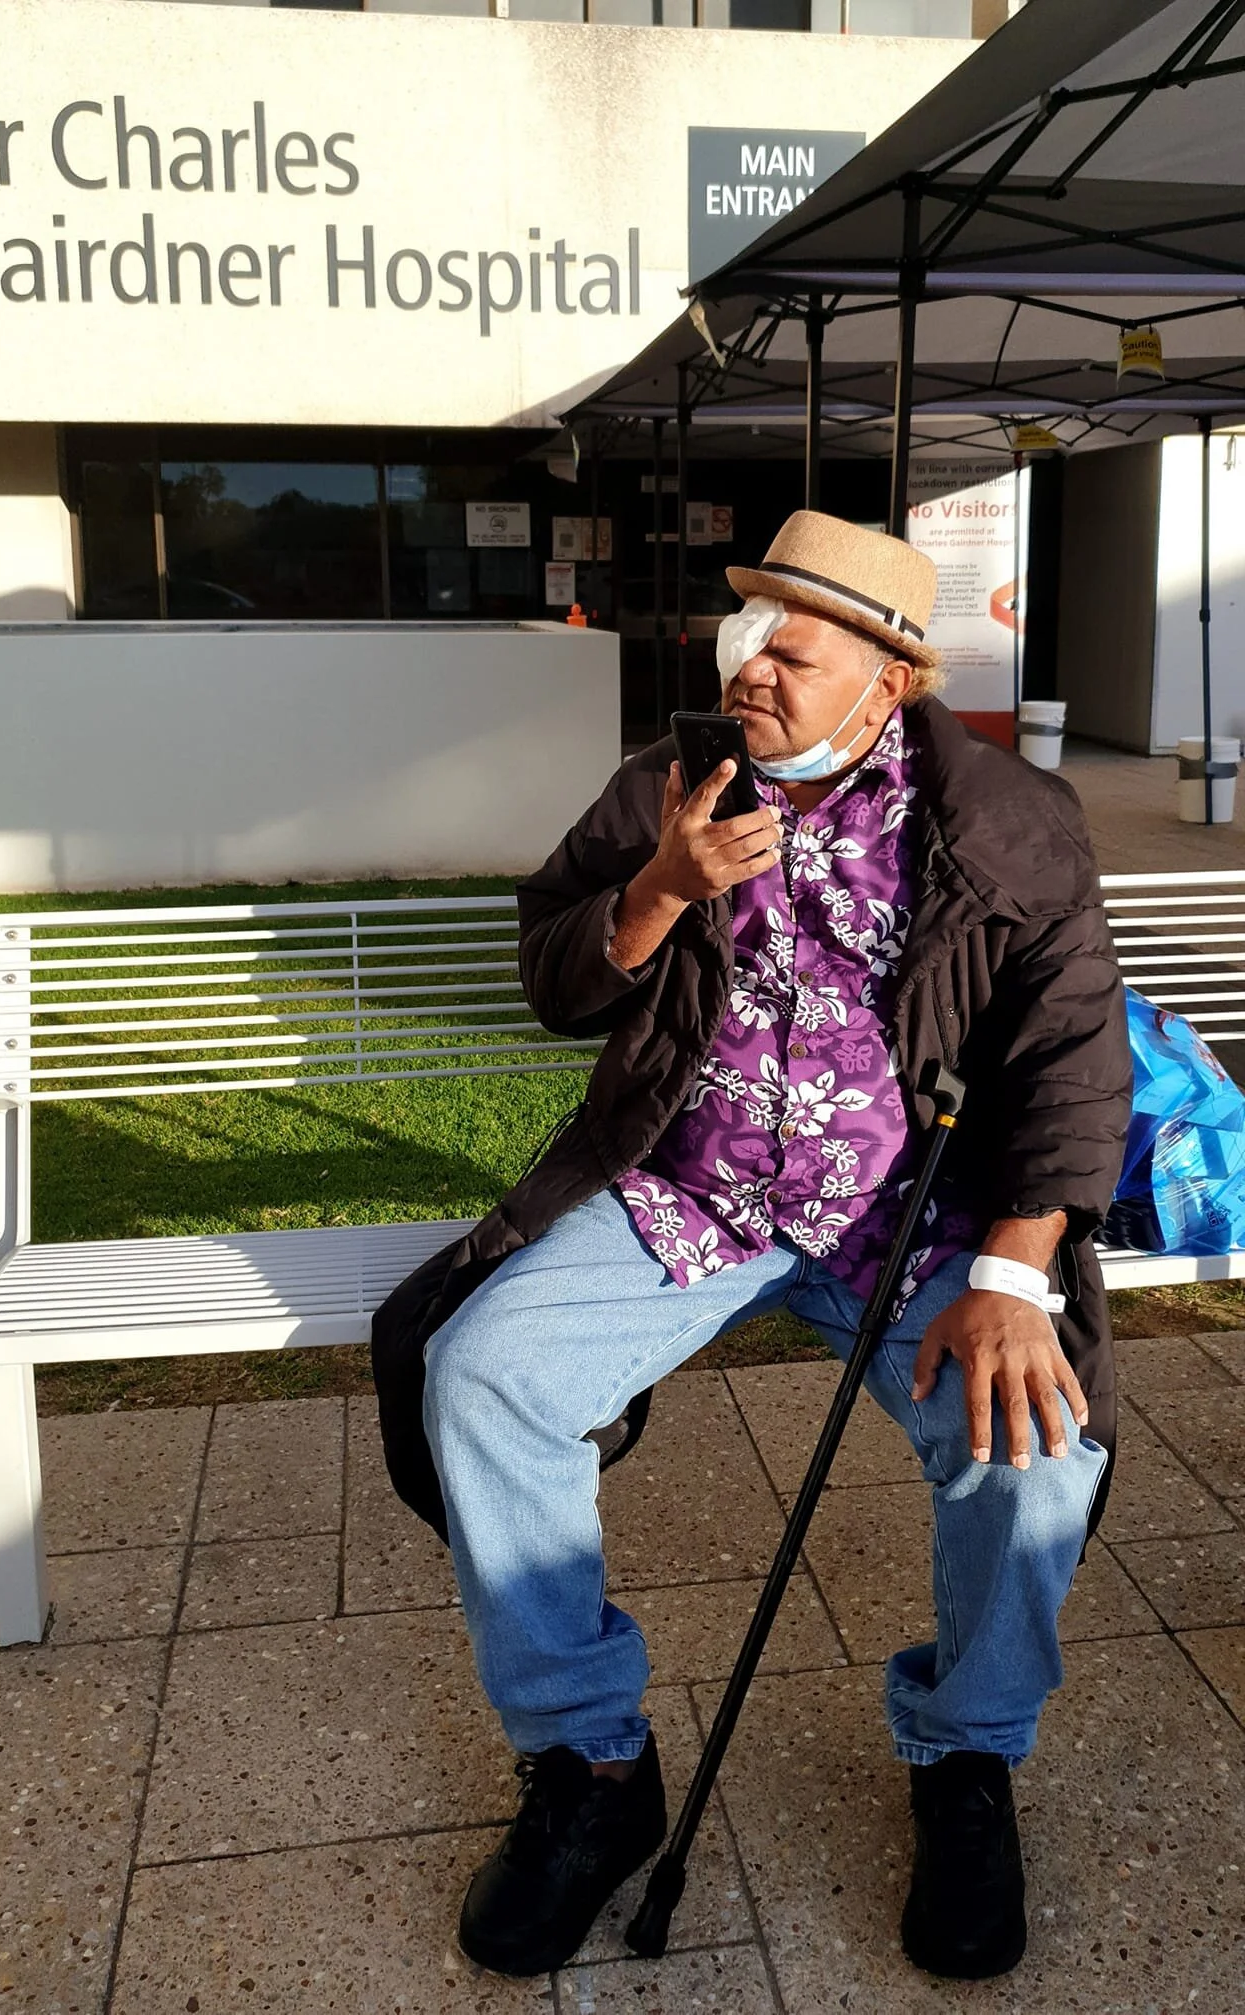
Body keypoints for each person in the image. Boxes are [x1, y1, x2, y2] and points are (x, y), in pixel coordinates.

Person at [372, 510, 1132, 1984]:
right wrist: (659, 887)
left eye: (795, 644)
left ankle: (968, 1760)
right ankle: (591, 1768)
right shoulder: (670, 784)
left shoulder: (1009, 826)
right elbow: (548, 973)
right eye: (747, 637)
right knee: (482, 1374)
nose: (755, 667)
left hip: (912, 1214)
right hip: (695, 1191)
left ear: (889, 680)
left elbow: (1073, 1058)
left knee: (1034, 1439)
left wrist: (1015, 1269)